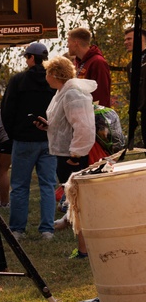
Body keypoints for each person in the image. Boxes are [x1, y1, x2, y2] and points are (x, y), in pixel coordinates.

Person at [41, 56, 96, 258]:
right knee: (74, 201)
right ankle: (83, 247)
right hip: (64, 153)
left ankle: (85, 249)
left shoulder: (72, 94)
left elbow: (84, 126)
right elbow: (64, 122)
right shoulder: (61, 93)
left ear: (55, 74)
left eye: (47, 72)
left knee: (79, 201)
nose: (45, 76)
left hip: (73, 155)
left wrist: (76, 153)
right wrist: (47, 125)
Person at [1, 42, 56, 239]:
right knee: (48, 185)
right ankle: (47, 229)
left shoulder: (18, 80)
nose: (25, 60)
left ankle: (17, 229)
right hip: (48, 139)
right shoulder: (53, 81)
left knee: (20, 186)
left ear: (32, 58)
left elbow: (7, 110)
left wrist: (13, 134)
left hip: (23, 140)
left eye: (26, 57)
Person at [67, 26, 112, 107]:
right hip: (81, 113)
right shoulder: (77, 62)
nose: (67, 46)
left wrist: (97, 116)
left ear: (76, 43)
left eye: (68, 42)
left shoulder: (98, 62)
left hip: (94, 115)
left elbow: (101, 93)